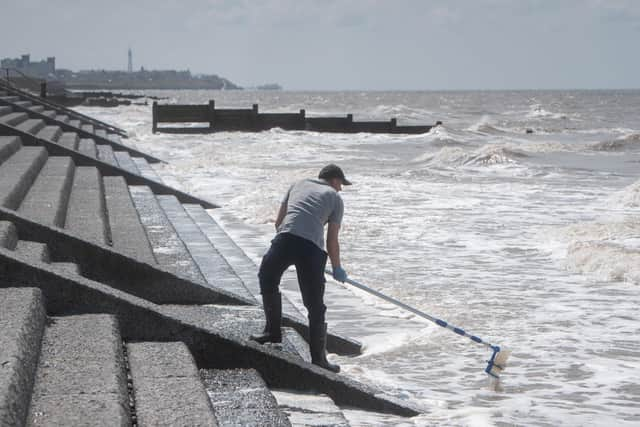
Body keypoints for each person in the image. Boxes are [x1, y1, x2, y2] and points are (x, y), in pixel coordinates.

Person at [250, 164, 351, 373]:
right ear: (334, 180)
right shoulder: (335, 198)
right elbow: (332, 239)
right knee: (314, 304)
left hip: (285, 238)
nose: (341, 189)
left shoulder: (297, 184)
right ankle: (319, 359)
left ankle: (272, 331)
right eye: (341, 184)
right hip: (311, 248)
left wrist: (286, 245)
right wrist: (337, 267)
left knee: (267, 277)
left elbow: (279, 222)